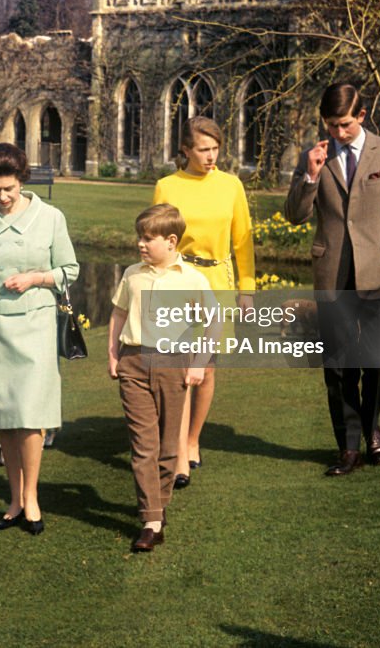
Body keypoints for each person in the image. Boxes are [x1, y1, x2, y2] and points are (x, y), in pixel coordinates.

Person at [284, 84, 380, 476]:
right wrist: (310, 176)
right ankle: (348, 447)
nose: (338, 133)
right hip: (333, 276)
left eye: (344, 124)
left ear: (360, 117)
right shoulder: (315, 156)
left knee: (378, 363)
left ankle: (372, 426)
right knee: (339, 368)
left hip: (379, 276)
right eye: (330, 125)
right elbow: (294, 214)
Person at [0, 143, 78, 536]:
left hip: (37, 327)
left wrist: (35, 278)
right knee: (5, 421)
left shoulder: (50, 217)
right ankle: (15, 499)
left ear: (22, 180)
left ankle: (33, 497)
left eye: (9, 188)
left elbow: (69, 270)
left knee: (30, 417)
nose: (3, 197)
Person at [152, 116, 254, 488]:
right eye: (203, 149)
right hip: (177, 282)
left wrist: (247, 288)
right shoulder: (167, 186)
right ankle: (179, 453)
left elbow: (243, 240)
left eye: (215, 149)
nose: (211, 156)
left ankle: (193, 439)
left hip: (218, 283)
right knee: (180, 369)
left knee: (207, 368)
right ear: (186, 150)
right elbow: (156, 238)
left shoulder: (231, 186)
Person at [108, 204, 213, 553]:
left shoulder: (193, 279)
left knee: (169, 448)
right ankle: (151, 521)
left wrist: (198, 364)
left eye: (148, 239)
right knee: (143, 446)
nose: (140, 244)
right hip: (133, 364)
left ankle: (158, 504)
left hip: (174, 364)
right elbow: (118, 314)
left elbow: (212, 324)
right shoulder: (132, 274)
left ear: (171, 241)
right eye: (139, 237)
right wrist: (113, 355)